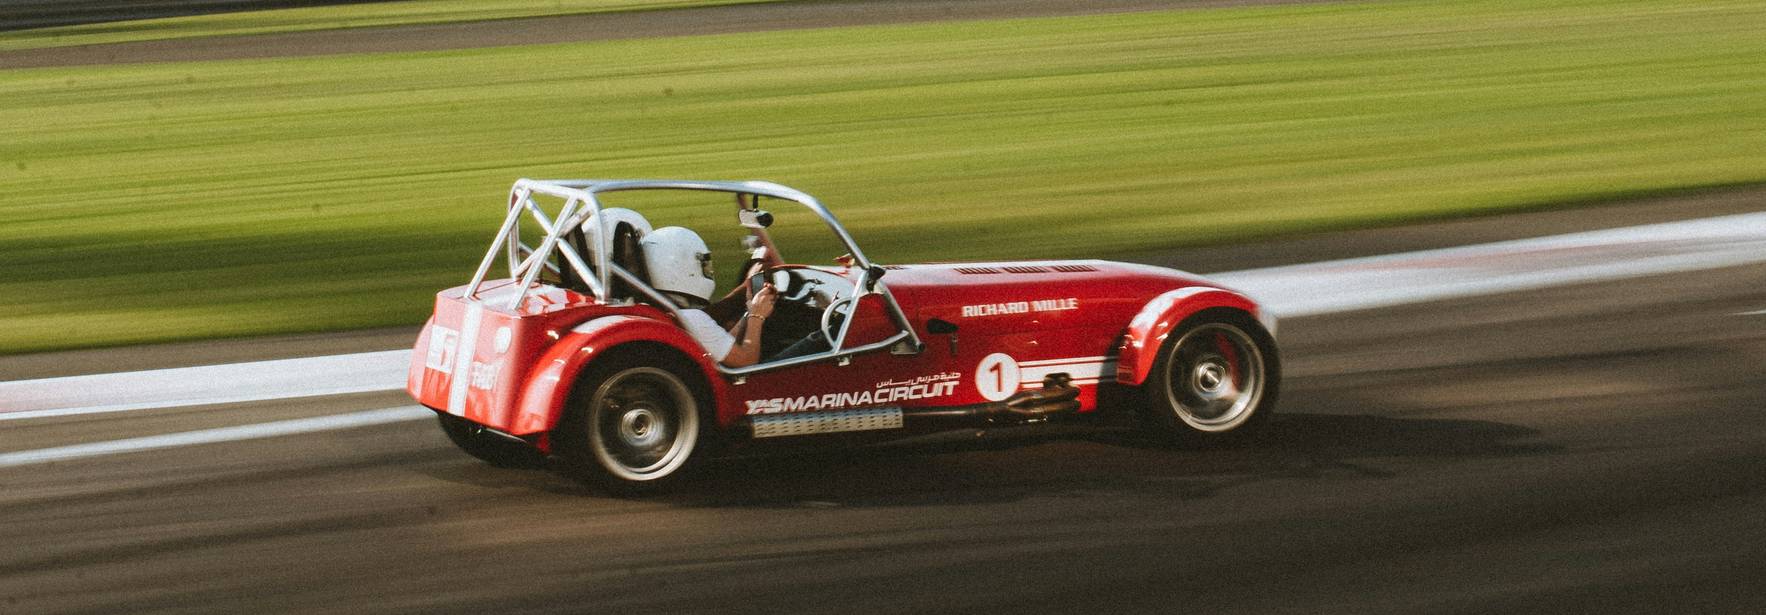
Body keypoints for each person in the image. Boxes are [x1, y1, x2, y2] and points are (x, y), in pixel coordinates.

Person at [640, 226, 778, 368]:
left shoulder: (655, 312)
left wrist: (751, 310)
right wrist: (757, 317)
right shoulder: (692, 318)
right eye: (704, 264)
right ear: (681, 266)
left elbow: (722, 344)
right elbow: (747, 361)